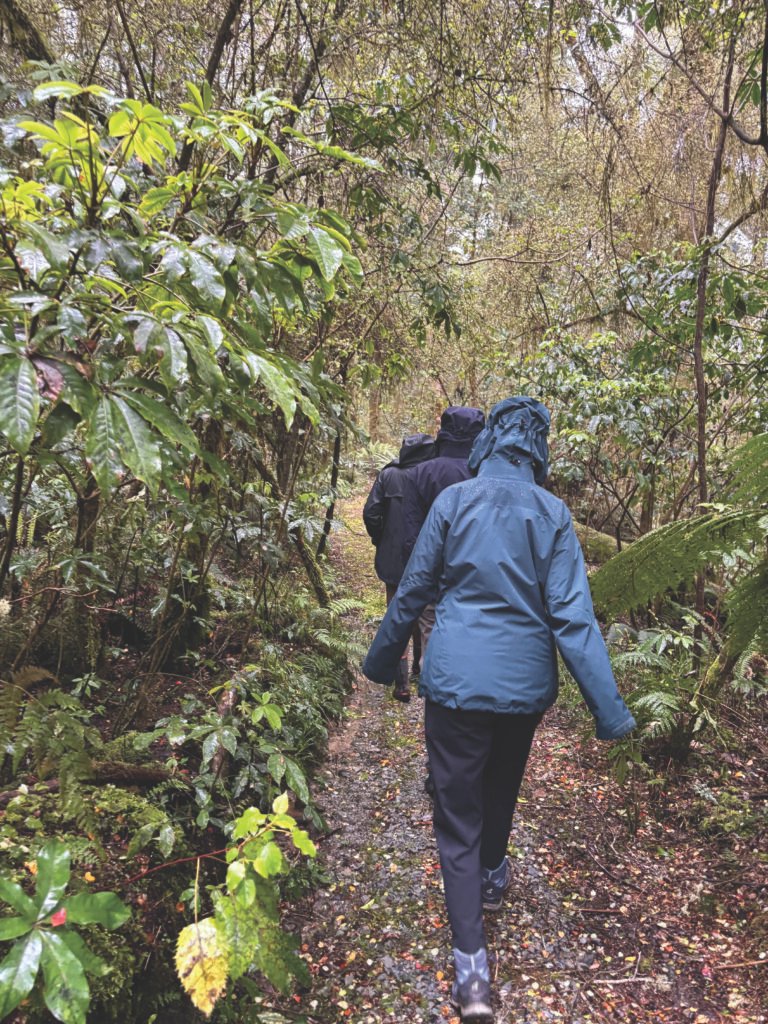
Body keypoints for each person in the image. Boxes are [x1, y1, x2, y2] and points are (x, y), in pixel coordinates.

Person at [362, 396, 636, 1022]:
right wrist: (609, 710)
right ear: (539, 449)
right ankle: (493, 872)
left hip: (456, 681)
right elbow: (574, 619)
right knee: (502, 784)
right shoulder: (554, 513)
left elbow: (413, 591)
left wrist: (383, 662)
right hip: (523, 688)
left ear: (489, 443)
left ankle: (473, 974)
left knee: (457, 815)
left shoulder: (455, 503)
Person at [363, 433, 435, 701]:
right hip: (425, 559)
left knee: (396, 614)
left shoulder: (388, 475)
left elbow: (371, 512)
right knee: (423, 612)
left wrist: (381, 539)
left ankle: (401, 682)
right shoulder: (432, 476)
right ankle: (418, 668)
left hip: (393, 560)